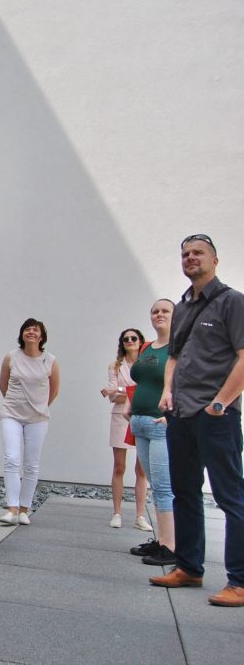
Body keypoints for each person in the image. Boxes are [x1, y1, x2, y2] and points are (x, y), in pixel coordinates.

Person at [150, 234, 244, 608]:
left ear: (214, 260)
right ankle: (189, 567)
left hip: (216, 416)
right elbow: (173, 357)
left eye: (198, 253)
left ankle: (239, 582)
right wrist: (167, 392)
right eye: (185, 254)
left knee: (230, 497)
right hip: (182, 415)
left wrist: (220, 403)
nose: (191, 258)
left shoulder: (232, 302)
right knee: (185, 492)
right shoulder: (183, 306)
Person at [124, 300, 177, 565]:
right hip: (140, 423)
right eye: (155, 311)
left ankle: (170, 546)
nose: (159, 314)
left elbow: (185, 382)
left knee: (164, 486)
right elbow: (140, 381)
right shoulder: (146, 347)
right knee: (155, 485)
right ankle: (162, 540)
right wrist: (130, 405)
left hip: (160, 426)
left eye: (165, 311)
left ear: (176, 316)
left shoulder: (178, 348)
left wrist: (172, 416)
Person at [0, 318, 61, 525]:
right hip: (11, 414)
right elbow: (3, 385)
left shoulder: (50, 360)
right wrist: (18, 403)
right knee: (12, 459)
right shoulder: (11, 357)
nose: (31, 332)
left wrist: (40, 406)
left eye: (35, 330)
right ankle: (12, 509)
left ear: (42, 336)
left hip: (38, 418)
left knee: (32, 464)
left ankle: (24, 509)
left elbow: (54, 390)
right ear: (22, 334)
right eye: (27, 329)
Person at [100, 328, 150, 530]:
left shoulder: (147, 364)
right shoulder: (115, 365)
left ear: (140, 341)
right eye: (126, 339)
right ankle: (117, 512)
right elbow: (113, 397)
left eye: (133, 338)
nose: (130, 341)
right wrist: (126, 393)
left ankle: (140, 516)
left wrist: (120, 389)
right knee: (119, 466)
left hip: (143, 414)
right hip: (120, 416)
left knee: (142, 468)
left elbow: (147, 391)